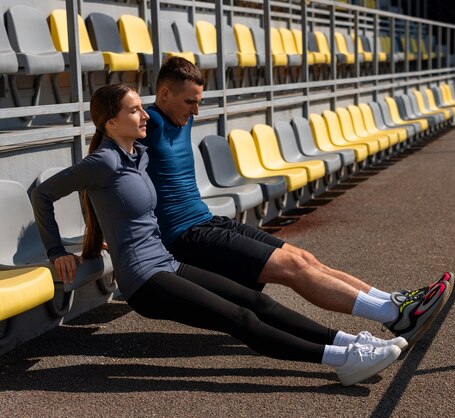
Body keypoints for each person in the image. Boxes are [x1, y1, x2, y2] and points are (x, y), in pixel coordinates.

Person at [31, 84, 409, 387]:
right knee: (240, 318)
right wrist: (54, 250)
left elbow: (118, 209)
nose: (145, 115)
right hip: (146, 282)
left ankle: (346, 340)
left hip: (167, 263)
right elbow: (43, 194)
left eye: (142, 107)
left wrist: (104, 235)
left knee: (256, 302)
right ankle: (341, 361)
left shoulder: (136, 155)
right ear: (110, 123)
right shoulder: (104, 161)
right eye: (134, 110)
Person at [141, 56, 454, 353]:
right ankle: (396, 316)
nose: (196, 111)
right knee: (293, 269)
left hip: (207, 220)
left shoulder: (180, 119)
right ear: (165, 93)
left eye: (199, 101)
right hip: (186, 236)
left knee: (304, 258)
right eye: (190, 102)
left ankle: (396, 304)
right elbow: (103, 161)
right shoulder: (148, 123)